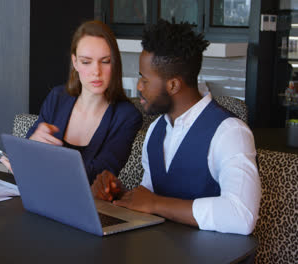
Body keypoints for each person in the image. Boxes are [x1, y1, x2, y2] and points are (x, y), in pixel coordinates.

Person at [91, 20, 261, 235]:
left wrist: (155, 204)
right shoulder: (156, 130)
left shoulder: (230, 133)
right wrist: (119, 194)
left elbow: (241, 216)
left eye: (144, 78)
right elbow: (152, 194)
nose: (139, 86)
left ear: (173, 85)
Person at [0, 20, 143, 184]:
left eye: (105, 61)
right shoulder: (58, 97)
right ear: (75, 62)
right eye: (86, 62)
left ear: (115, 63)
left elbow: (98, 176)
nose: (96, 71)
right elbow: (24, 152)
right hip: (42, 193)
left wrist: (40, 159)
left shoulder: (127, 116)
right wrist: (31, 146)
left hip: (90, 206)